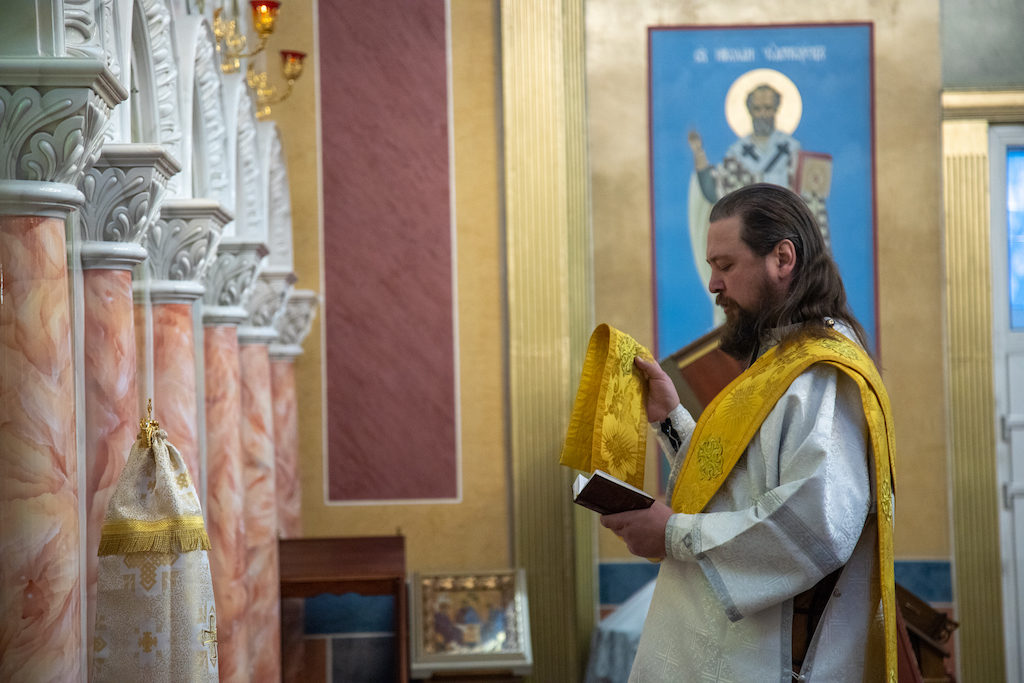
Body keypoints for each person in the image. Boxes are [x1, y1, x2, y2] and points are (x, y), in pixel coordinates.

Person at [601, 183, 895, 681]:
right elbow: (740, 485)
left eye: (725, 265)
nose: (713, 284)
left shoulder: (821, 374)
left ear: (782, 258)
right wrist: (670, 419)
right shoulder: (780, 363)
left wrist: (672, 534)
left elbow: (814, 528)